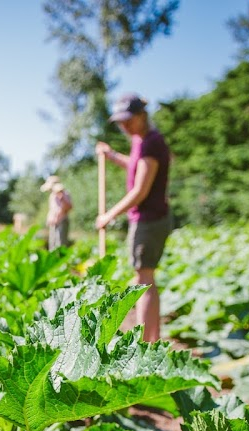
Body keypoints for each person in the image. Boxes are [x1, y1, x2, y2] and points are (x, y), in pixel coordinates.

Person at [95, 94, 172, 342]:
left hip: (150, 219)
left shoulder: (151, 142)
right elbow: (136, 167)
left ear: (141, 116)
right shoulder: (141, 141)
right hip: (149, 218)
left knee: (144, 279)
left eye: (128, 120)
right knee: (144, 278)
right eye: (120, 122)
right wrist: (113, 155)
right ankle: (150, 339)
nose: (124, 126)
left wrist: (109, 215)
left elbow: (140, 190)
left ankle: (147, 342)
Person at [41, 176, 73, 250]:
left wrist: (62, 198)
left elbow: (69, 207)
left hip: (61, 221)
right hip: (53, 223)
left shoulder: (64, 194)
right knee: (52, 245)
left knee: (60, 245)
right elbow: (53, 209)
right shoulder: (52, 195)